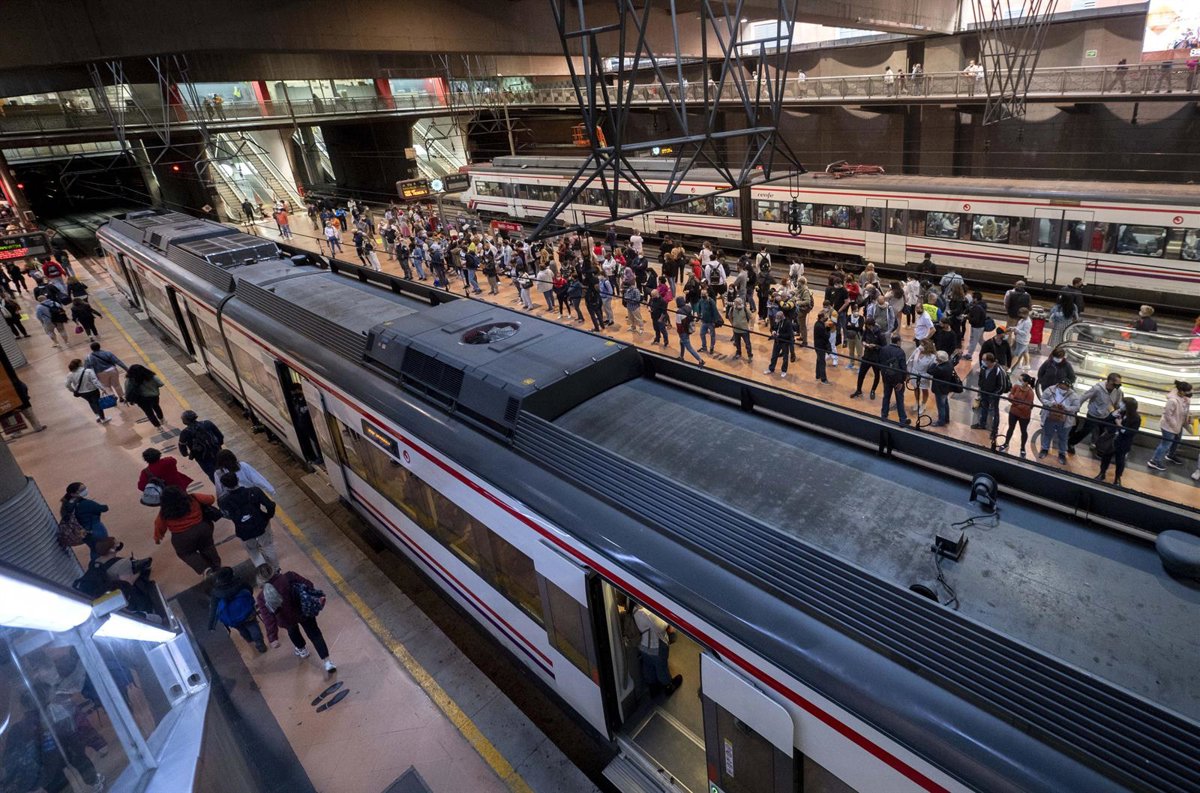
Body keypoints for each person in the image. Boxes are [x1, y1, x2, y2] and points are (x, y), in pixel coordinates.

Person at [256, 563, 336, 673]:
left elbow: (268, 618)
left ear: (260, 579)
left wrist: (273, 638)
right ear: (273, 570)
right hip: (304, 611)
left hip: (286, 619)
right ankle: (327, 662)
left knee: (293, 632)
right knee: (315, 634)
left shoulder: (262, 596)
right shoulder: (290, 576)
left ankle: (302, 650)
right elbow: (309, 584)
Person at [153, 486, 222, 575]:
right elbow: (210, 499)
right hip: (203, 528)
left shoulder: (164, 511)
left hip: (182, 536)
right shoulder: (192, 498)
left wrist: (157, 537)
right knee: (207, 547)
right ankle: (217, 568)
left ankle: (206, 570)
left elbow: (159, 525)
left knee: (187, 553)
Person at [218, 472, 279, 570]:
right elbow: (270, 505)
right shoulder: (254, 491)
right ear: (238, 480)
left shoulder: (223, 501)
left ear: (224, 486)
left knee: (252, 550)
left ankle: (263, 570)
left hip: (243, 530)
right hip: (261, 524)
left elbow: (227, 515)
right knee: (268, 546)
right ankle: (276, 569)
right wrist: (268, 516)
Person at [208, 567, 268, 653]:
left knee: (242, 630)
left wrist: (211, 625)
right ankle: (259, 643)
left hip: (232, 618)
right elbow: (249, 590)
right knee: (253, 626)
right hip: (247, 612)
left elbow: (213, 609)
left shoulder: (216, 592)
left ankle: (249, 639)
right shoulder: (240, 583)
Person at [631, 601, 682, 697]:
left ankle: (653, 688)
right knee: (661, 667)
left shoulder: (634, 608)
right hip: (655, 646)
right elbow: (662, 627)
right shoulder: (647, 613)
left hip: (642, 644)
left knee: (648, 666)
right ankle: (668, 686)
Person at [1068, 373, 1123, 453]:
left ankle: (1097, 446)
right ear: (1110, 381)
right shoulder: (1097, 389)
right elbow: (1084, 397)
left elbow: (1117, 403)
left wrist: (1118, 413)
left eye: (1119, 385)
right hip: (1093, 414)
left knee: (1103, 432)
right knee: (1085, 431)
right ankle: (1071, 442)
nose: (1117, 387)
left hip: (1106, 414)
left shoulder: (1118, 391)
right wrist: (1076, 408)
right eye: (1116, 384)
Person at [1147, 381, 1192, 470]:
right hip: (1169, 427)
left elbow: (1185, 410)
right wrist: (1175, 425)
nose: (1190, 393)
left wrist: (1187, 417)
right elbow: (1167, 415)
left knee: (1177, 441)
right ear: (1181, 391)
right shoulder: (1172, 401)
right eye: (1188, 391)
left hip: (1179, 424)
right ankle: (1154, 461)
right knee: (1165, 444)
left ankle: (1170, 455)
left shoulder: (1185, 398)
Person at [61, 482, 111, 561]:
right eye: (82, 489)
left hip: (83, 532)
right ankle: (106, 564)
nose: (85, 490)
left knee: (94, 549)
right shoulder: (85, 503)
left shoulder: (66, 505)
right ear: (73, 494)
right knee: (106, 548)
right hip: (96, 528)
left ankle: (96, 565)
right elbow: (104, 508)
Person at [1096, 398, 1140, 487]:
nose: (1121, 404)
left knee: (1120, 461)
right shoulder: (1119, 412)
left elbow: (1130, 432)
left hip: (1123, 442)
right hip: (1111, 439)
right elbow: (1105, 421)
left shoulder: (1136, 418)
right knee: (1106, 457)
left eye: (1123, 403)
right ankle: (1102, 473)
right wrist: (1112, 415)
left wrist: (1119, 425)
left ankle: (1117, 478)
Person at [1038, 377, 1081, 464]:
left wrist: (1066, 408)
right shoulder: (1050, 390)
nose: (1063, 389)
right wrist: (1051, 404)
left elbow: (1076, 407)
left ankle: (1062, 453)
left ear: (1069, 388)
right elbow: (1043, 398)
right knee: (1047, 434)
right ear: (1058, 385)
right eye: (1061, 387)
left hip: (1065, 420)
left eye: (1065, 388)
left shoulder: (1073, 395)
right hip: (1050, 416)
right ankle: (1044, 449)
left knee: (1063, 437)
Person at [179, 410, 225, 481]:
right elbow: (220, 436)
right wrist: (218, 445)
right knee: (225, 469)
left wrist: (185, 453)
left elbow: (182, 446)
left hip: (202, 458)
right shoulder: (207, 423)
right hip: (217, 452)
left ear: (186, 421)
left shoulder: (185, 433)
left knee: (213, 475)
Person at [998, 373, 1036, 457]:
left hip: (1024, 415)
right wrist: (1017, 402)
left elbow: (1026, 406)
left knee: (1023, 431)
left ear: (1026, 383)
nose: (1018, 381)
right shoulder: (1016, 387)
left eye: (1020, 380)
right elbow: (1010, 396)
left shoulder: (1030, 393)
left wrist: (1014, 402)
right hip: (1013, 412)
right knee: (1010, 428)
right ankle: (1006, 443)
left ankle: (1022, 448)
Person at [973, 353, 1009, 437]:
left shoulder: (998, 370)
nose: (982, 361)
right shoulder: (983, 367)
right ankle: (982, 424)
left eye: (984, 360)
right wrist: (981, 388)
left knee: (994, 412)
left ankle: (994, 430)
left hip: (993, 396)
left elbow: (1002, 386)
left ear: (989, 361)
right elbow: (981, 378)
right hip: (984, 392)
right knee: (984, 408)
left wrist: (994, 394)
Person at [119, 364, 165, 429]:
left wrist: (127, 398)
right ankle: (161, 419)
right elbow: (161, 384)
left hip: (140, 399)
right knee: (156, 407)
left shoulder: (129, 380)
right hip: (153, 397)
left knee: (149, 413)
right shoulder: (150, 376)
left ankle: (158, 427)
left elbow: (127, 391)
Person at [65, 359, 109, 424]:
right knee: (97, 404)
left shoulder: (70, 374)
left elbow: (67, 385)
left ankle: (97, 415)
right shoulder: (88, 371)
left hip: (82, 393)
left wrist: (73, 390)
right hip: (93, 390)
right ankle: (103, 418)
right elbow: (95, 381)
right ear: (79, 364)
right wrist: (102, 388)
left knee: (91, 402)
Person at [850, 317, 885, 398]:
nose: (867, 327)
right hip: (866, 356)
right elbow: (863, 339)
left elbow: (884, 347)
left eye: (868, 326)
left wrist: (875, 346)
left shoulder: (880, 333)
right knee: (861, 374)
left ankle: (873, 391)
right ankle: (858, 390)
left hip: (876, 358)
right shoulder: (866, 330)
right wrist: (864, 343)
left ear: (871, 325)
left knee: (877, 375)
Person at [927, 351, 959, 427]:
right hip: (946, 388)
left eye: (937, 358)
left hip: (940, 389)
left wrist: (934, 363)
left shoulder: (939, 368)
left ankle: (941, 421)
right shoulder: (949, 363)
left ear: (940, 360)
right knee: (945, 404)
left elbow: (929, 371)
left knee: (941, 406)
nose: (936, 359)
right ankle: (946, 419)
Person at [908, 339, 938, 419]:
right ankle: (917, 402)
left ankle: (923, 404)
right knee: (915, 388)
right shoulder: (917, 350)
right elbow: (910, 360)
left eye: (923, 345)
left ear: (927, 347)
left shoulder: (932, 357)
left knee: (924, 390)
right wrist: (909, 372)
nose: (920, 346)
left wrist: (926, 376)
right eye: (921, 344)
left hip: (924, 376)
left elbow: (932, 370)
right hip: (914, 373)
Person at [764, 305, 795, 378]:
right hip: (777, 341)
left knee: (785, 357)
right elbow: (773, 327)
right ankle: (771, 368)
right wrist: (773, 331)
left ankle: (784, 371)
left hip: (784, 342)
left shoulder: (788, 323)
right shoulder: (777, 321)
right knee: (774, 356)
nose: (777, 320)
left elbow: (789, 335)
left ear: (782, 317)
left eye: (778, 318)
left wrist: (780, 335)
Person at [674, 297, 704, 366]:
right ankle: (681, 357)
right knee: (681, 342)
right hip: (688, 329)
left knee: (689, 347)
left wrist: (679, 333)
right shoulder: (689, 307)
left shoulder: (679, 312)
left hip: (683, 332)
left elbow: (679, 325)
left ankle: (700, 360)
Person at [964, 292, 989, 360]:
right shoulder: (983, 304)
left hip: (977, 327)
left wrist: (968, 317)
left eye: (973, 298)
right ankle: (989, 349)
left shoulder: (977, 307)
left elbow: (975, 319)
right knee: (980, 340)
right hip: (981, 326)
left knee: (973, 340)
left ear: (975, 299)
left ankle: (969, 355)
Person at [729, 297, 753, 362]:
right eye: (736, 303)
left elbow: (751, 317)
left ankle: (750, 356)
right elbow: (730, 317)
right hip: (736, 330)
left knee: (747, 344)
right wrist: (732, 324)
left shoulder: (745, 309)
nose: (738, 305)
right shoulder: (732, 309)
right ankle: (738, 353)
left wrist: (751, 326)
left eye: (739, 304)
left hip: (744, 330)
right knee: (737, 343)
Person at [695, 289, 719, 353]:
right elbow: (699, 309)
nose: (703, 295)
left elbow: (715, 311)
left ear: (707, 294)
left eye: (704, 294)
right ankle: (704, 347)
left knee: (712, 335)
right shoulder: (701, 300)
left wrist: (715, 321)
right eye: (702, 294)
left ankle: (711, 347)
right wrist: (698, 316)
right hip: (704, 321)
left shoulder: (711, 301)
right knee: (702, 334)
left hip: (711, 322)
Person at [1010, 307, 1033, 372]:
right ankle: (1027, 365)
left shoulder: (1028, 323)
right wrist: (1013, 328)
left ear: (1025, 314)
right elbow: (1019, 327)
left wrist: (1016, 330)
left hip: (1022, 341)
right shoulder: (1022, 320)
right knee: (1025, 351)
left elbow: (1025, 333)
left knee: (1016, 354)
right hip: (1019, 339)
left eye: (1021, 314)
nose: (1020, 316)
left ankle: (1010, 368)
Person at [813, 311, 832, 384]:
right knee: (822, 362)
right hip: (820, 346)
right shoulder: (820, 326)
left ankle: (818, 375)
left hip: (818, 345)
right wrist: (828, 328)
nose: (826, 318)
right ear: (821, 317)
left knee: (819, 360)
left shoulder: (818, 324)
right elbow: (826, 336)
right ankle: (823, 379)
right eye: (825, 317)